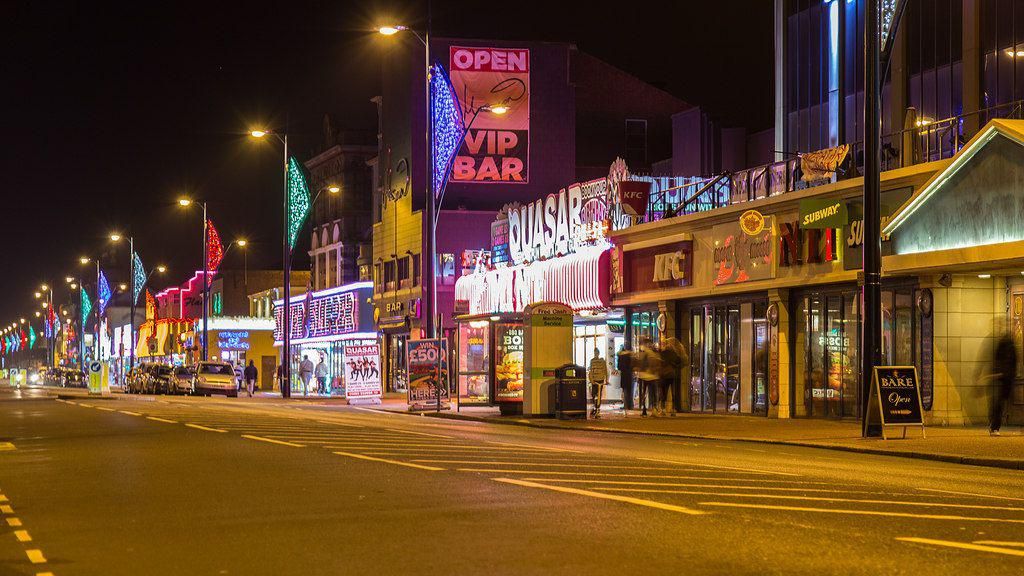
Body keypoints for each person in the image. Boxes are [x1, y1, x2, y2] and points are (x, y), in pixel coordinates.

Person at [991, 331, 1017, 436]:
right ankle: (994, 426)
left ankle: (994, 426)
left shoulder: (1008, 344)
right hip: (1005, 377)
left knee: (1000, 402)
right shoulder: (1007, 344)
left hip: (1005, 376)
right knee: (1000, 402)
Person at [634, 336, 663, 417]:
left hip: (644, 376)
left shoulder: (642, 353)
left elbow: (639, 364)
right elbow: (657, 363)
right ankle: (653, 409)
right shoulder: (653, 353)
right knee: (653, 393)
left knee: (644, 392)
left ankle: (644, 410)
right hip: (652, 376)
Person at [659, 337, 687, 416]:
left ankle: (663, 409)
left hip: (664, 375)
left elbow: (660, 363)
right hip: (672, 375)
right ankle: (673, 410)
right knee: (673, 392)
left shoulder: (663, 353)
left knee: (663, 393)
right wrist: (675, 366)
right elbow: (680, 361)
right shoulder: (674, 353)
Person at [588, 347, 608, 418]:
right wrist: (591, 380)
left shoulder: (602, 361)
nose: (596, 354)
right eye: (595, 352)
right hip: (595, 380)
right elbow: (590, 371)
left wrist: (607, 380)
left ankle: (597, 408)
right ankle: (595, 407)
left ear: (598, 353)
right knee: (594, 395)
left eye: (596, 352)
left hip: (600, 380)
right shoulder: (592, 361)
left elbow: (605, 371)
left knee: (598, 395)